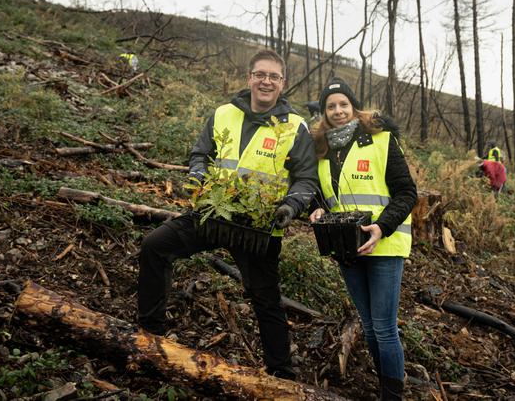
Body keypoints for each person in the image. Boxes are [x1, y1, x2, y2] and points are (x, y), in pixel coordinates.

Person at [137, 49, 318, 380]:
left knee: (266, 300)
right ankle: (150, 337)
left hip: (259, 226)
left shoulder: (295, 127)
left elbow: (307, 179)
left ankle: (281, 374)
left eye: (273, 76)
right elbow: (200, 155)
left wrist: (290, 207)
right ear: (249, 77)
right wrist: (197, 179)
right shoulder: (224, 114)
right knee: (154, 246)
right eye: (260, 74)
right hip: (213, 213)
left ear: (283, 83)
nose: (266, 81)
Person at [308, 77, 417, 400]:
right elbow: (318, 194)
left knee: (384, 328)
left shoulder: (381, 140)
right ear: (324, 113)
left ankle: (392, 395)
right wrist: (314, 210)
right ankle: (386, 382)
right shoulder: (322, 148)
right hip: (347, 246)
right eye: (331, 106)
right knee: (369, 327)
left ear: (354, 107)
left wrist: (382, 227)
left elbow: (406, 193)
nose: (338, 111)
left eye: (344, 104)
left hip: (384, 244)